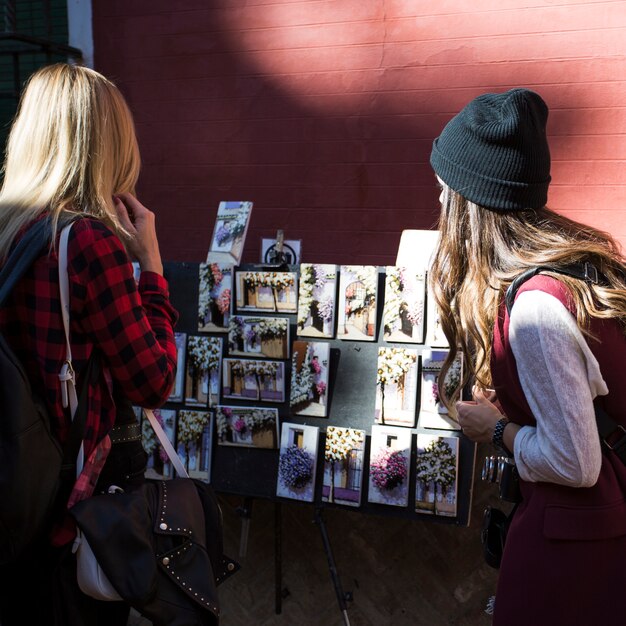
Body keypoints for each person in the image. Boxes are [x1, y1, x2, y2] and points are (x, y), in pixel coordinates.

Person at [428, 88, 626, 625]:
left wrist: (496, 429)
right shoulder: (570, 272)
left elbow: (575, 462)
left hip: (579, 556)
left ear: (472, 204)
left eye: (445, 193)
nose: (440, 206)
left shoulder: (536, 305)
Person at [0, 63, 178, 625]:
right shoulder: (87, 242)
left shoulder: (9, 231)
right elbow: (153, 381)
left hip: (12, 497)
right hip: (71, 516)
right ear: (108, 147)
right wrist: (150, 263)